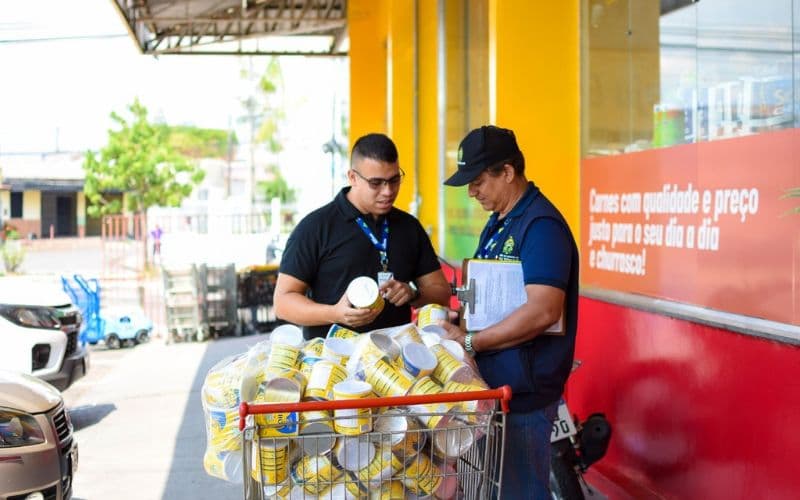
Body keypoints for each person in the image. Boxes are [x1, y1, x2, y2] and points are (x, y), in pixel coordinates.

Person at [439, 125, 579, 499]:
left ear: (507, 172)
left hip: (522, 394)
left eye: (479, 180)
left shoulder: (540, 225)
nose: (472, 191)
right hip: (496, 389)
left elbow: (544, 310)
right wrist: (455, 322)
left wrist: (473, 339)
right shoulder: (501, 222)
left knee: (518, 491)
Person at [274, 133, 451, 339]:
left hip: (395, 359)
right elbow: (283, 303)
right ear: (352, 177)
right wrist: (335, 314)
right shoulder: (315, 227)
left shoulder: (409, 227)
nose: (388, 191)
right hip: (333, 361)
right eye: (376, 183)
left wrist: (413, 294)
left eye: (394, 180)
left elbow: (442, 292)